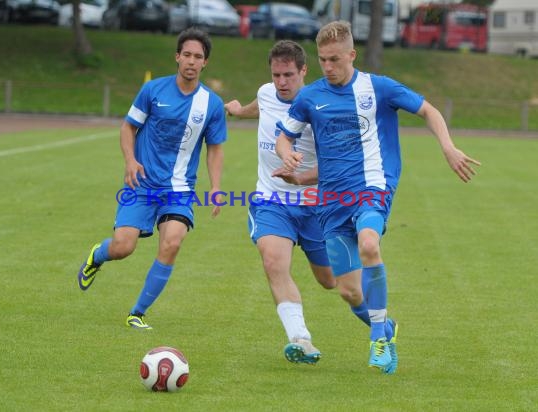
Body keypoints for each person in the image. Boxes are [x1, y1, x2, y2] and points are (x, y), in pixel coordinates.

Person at [275, 21, 480, 374]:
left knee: (370, 245)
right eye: (323, 60)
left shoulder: (379, 88)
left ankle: (379, 342)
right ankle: (385, 326)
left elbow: (428, 110)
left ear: (352, 55)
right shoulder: (310, 97)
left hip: (373, 188)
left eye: (335, 59)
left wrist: (448, 146)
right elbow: (285, 136)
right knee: (349, 293)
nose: (328, 66)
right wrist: (286, 155)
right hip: (331, 202)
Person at [225, 40, 388, 365]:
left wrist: (300, 176)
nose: (281, 82)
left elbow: (335, 166)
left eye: (288, 75)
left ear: (304, 72)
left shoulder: (322, 104)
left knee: (337, 285)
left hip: (319, 206)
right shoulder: (267, 91)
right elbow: (261, 103)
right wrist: (238, 111)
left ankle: (382, 328)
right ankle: (301, 339)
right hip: (272, 201)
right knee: (274, 263)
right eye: (276, 75)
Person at [77, 27, 227, 330]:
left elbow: (215, 149)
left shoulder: (211, 104)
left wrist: (215, 187)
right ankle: (98, 255)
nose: (191, 61)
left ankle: (137, 312)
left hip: (179, 189)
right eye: (187, 54)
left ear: (205, 63)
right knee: (123, 247)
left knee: (172, 243)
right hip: (142, 184)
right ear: (177, 56)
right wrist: (130, 160)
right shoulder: (153, 90)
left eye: (198, 57)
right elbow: (127, 127)